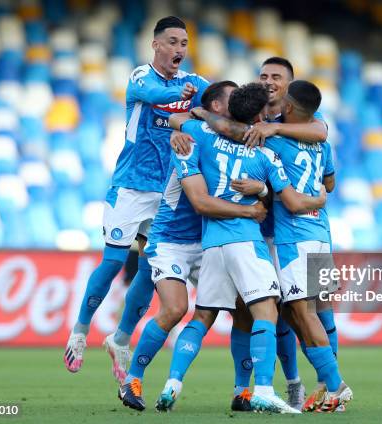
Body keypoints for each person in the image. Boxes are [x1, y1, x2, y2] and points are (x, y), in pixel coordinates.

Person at [156, 83, 327, 414]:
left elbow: (177, 123)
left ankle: (172, 383)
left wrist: (192, 119)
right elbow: (289, 199)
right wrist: (271, 190)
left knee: (203, 316)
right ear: (260, 114)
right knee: (268, 312)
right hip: (248, 239)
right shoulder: (266, 152)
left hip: (212, 244)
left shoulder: (201, 134)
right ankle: (263, 388)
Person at [64, 16, 209, 379]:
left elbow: (226, 97)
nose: (179, 49)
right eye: (172, 42)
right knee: (113, 262)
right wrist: (186, 99)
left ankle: (121, 339)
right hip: (130, 186)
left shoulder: (194, 82)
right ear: (156, 44)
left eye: (184, 43)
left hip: (167, 192)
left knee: (149, 269)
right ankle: (80, 330)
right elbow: (156, 95)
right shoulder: (140, 77)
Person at [117, 81, 266, 411]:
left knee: (243, 309)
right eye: (232, 100)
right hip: (170, 241)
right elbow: (199, 201)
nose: (239, 105)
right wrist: (251, 209)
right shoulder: (192, 137)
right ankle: (132, 379)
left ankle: (242, 391)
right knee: (174, 309)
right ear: (215, 108)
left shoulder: (236, 138)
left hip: (209, 242)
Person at [265, 80, 351, 412]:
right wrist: (318, 194)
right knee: (314, 312)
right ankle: (330, 388)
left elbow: (276, 191)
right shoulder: (321, 144)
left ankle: (336, 385)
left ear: (288, 107)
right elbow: (329, 181)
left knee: (302, 313)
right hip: (321, 234)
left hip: (294, 237)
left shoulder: (277, 144)